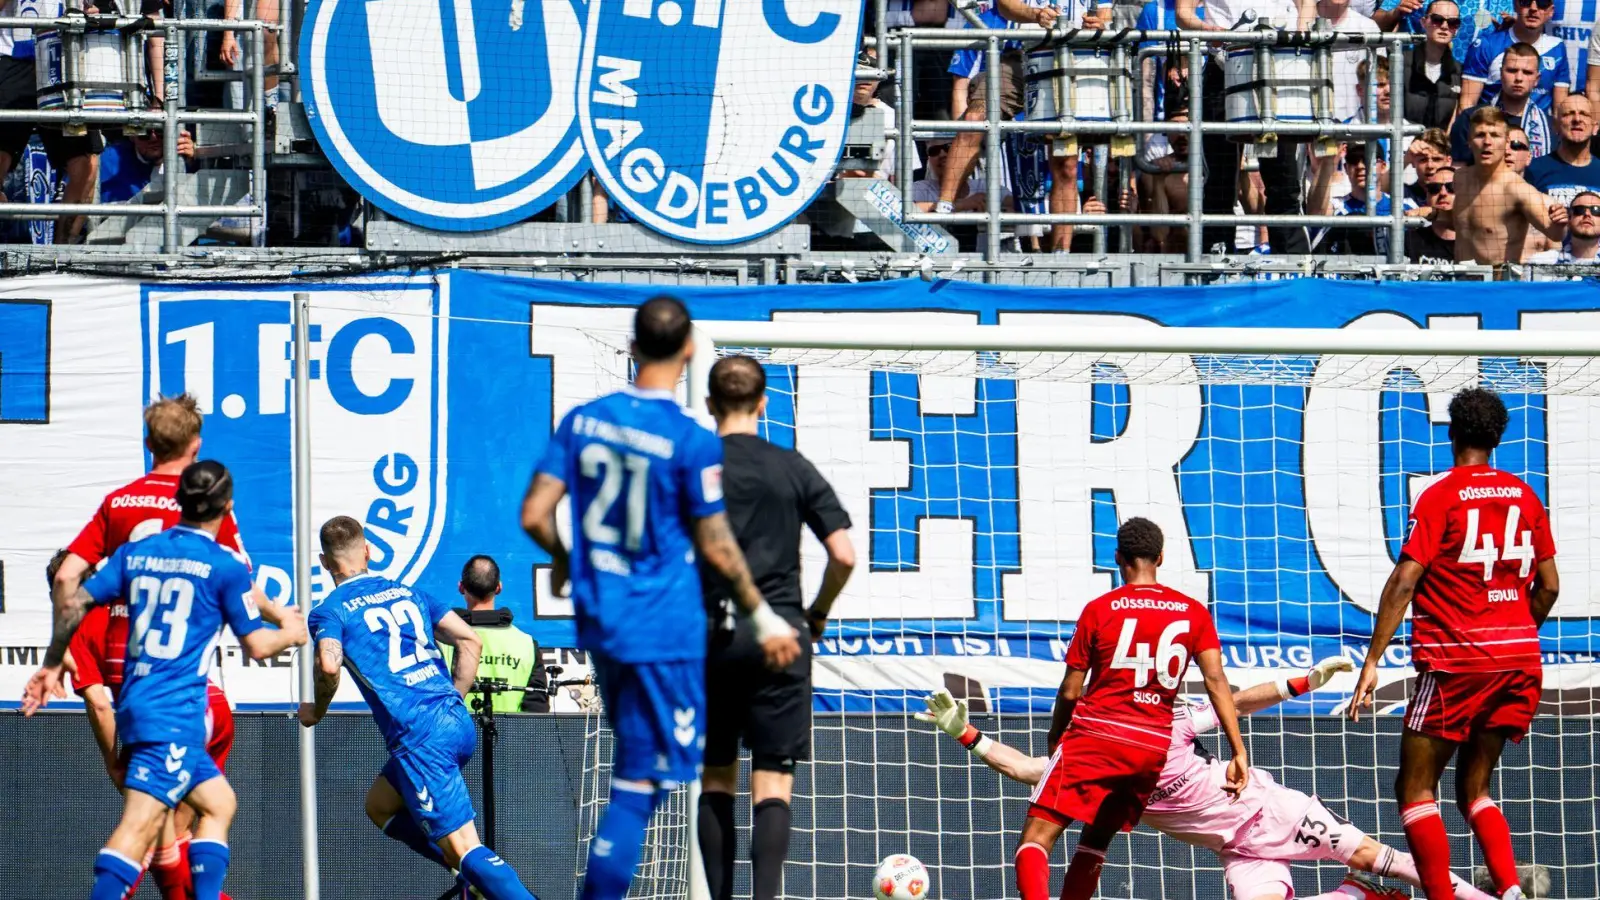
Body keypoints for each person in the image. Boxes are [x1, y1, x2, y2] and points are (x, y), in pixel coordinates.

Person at [521, 295, 802, 900]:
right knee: (640, 784)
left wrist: (566, 558)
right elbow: (717, 543)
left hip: (602, 622)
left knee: (637, 767)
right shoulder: (691, 440)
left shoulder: (583, 421)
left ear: (632, 348)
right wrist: (762, 615)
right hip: (663, 630)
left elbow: (535, 514)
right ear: (690, 350)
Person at [918, 668, 1506, 900]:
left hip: (1270, 811)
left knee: (1386, 859)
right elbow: (1025, 769)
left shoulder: (1170, 722)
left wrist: (1303, 682)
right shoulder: (1091, 761)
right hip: (1238, 849)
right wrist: (964, 732)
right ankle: (1357, 897)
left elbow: (1239, 701)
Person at [22, 460, 307, 900]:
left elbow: (73, 606)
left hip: (157, 709)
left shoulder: (135, 555)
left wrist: (53, 660)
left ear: (178, 501)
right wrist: (291, 630)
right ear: (227, 508)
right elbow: (257, 643)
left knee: (187, 814)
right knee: (162, 824)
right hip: (187, 710)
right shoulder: (225, 564)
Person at [1350, 387, 1559, 900]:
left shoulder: (1440, 495)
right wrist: (1513, 632)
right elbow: (1550, 587)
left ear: (1452, 432)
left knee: (1415, 788)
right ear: (1498, 438)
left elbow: (1404, 580)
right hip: (1518, 660)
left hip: (1457, 661)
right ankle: (1510, 890)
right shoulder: (1525, 496)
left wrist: (1372, 660)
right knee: (1476, 789)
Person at [56, 393, 261, 900]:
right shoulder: (203, 500)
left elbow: (67, 579)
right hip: (193, 691)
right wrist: (280, 622)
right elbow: (241, 579)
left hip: (138, 686)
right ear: (196, 445)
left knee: (159, 821)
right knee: (171, 821)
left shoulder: (119, 504)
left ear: (148, 442)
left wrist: (52, 655)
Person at [299, 516, 535, 899]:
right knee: (379, 804)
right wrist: (453, 699)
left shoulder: (330, 611)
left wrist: (316, 711)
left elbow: (328, 666)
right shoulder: (409, 592)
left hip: (421, 739)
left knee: (465, 846)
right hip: (455, 721)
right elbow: (470, 641)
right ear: (368, 551)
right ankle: (471, 878)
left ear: (325, 562)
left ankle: (478, 876)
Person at [1015, 517, 1248, 900]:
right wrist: (1238, 751)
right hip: (1149, 749)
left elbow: (1071, 691)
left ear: (1118, 558)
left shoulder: (1100, 609)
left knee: (1036, 838)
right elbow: (1216, 681)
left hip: (1096, 736)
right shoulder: (1193, 612)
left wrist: (1056, 736)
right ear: (1160, 557)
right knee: (1095, 842)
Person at [697, 355, 856, 900]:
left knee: (717, 774)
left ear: (710, 404)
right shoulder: (791, 466)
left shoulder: (693, 467)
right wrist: (818, 613)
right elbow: (844, 554)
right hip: (783, 635)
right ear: (763, 403)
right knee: (772, 779)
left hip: (712, 636)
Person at [933, 0, 1110, 251]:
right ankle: (943, 209)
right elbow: (1005, 5)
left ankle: (1061, 253)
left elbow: (1105, 15)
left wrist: (1098, 25)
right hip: (1020, 57)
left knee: (1067, 163)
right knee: (974, 119)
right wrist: (1035, 14)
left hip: (1073, 59)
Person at [1178, 0, 1317, 255]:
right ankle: (1215, 260)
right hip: (1224, 66)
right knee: (1219, 180)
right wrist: (1209, 30)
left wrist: (1300, 34)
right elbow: (1183, 12)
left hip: (1279, 65)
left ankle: (1292, 261)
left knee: (1283, 179)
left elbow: (1306, 4)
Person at [0, 0, 101, 243]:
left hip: (65, 58)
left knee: (85, 167)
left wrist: (91, 12)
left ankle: (62, 252)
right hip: (15, 57)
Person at [440, 554, 550, 714]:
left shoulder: (441, 640)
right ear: (499, 587)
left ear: (461, 587)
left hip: (455, 729)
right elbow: (537, 711)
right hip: (514, 731)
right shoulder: (526, 644)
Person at [1452, 107, 1563, 263]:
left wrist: (1560, 222)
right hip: (1459, 277)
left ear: (1506, 143)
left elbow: (1555, 234)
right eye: (1480, 135)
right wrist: (1435, 213)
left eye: (1495, 135)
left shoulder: (1517, 189)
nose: (1487, 142)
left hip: (1498, 278)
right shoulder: (1460, 178)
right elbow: (1465, 222)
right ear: (1469, 141)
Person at [1456, 0, 1567, 115]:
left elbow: (1560, 110)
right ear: (1515, 5)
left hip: (1536, 125)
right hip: (1492, 123)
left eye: (1542, 3)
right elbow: (1467, 103)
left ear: (1551, 11)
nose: (1533, 8)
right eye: (1526, 2)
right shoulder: (1486, 45)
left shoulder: (1557, 48)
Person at [1310, 143, 1419, 257]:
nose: (1360, 166)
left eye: (1368, 160)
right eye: (1353, 160)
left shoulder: (1406, 206)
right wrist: (1328, 161)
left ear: (1383, 167)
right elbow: (1314, 212)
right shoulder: (1335, 206)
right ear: (1346, 168)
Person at [1450, 43, 1551, 162]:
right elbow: (1458, 169)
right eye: (1512, 70)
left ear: (1537, 79)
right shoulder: (1470, 119)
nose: (1519, 78)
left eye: (1527, 72)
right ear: (1501, 74)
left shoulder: (1550, 127)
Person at [1523, 95, 1600, 207]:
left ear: (1595, 127)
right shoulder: (1533, 170)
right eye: (1568, 114)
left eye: (1584, 114)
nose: (1577, 119)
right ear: (1555, 126)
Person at [1401, 0, 1463, 129]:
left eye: (1453, 22)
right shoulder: (1400, 63)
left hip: (1442, 140)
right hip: (1403, 138)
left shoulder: (1460, 72)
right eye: (1437, 20)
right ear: (1423, 22)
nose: (1444, 26)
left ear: (1457, 29)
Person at [1526, 191, 1600, 262]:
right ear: (1569, 220)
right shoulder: (1540, 261)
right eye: (1579, 210)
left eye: (1596, 210)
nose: (1587, 214)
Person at [1407, 166, 1458, 261]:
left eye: (1452, 187)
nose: (1443, 193)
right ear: (1427, 196)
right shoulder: (1410, 239)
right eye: (1434, 188)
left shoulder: (1476, 238)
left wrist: (1434, 213)